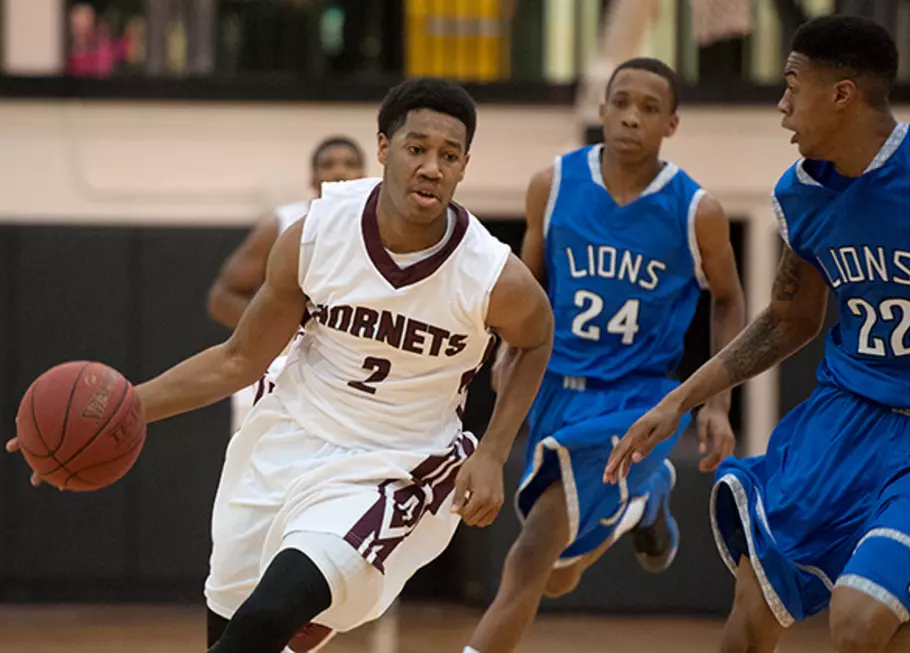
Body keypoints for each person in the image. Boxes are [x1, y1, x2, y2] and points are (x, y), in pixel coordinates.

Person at [8, 77, 554, 653]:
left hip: (395, 463)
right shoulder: (315, 235)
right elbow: (238, 359)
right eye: (417, 148)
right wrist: (108, 417)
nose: (431, 167)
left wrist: (493, 450)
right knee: (233, 623)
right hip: (286, 439)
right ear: (386, 149)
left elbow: (537, 339)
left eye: (449, 156)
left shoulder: (490, 273)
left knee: (273, 611)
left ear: (465, 167)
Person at [606, 16, 910, 653]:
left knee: (858, 626)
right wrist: (677, 402)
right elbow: (789, 319)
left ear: (842, 94)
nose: (781, 105)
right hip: (841, 418)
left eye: (792, 85)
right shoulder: (803, 193)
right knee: (748, 620)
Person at [464, 57, 746, 653]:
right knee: (560, 576)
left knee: (530, 553)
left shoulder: (696, 210)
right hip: (555, 389)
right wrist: (508, 347)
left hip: (638, 400)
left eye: (648, 108)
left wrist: (716, 404)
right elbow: (529, 284)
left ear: (671, 124)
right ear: (601, 111)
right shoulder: (554, 184)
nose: (630, 117)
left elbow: (729, 300)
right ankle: (643, 504)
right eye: (620, 102)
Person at [207, 136, 366, 433]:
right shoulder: (284, 223)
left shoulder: (384, 232)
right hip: (276, 370)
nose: (339, 171)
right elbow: (222, 297)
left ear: (364, 175)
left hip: (342, 374)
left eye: (349, 164)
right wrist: (278, 330)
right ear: (313, 177)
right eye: (328, 164)